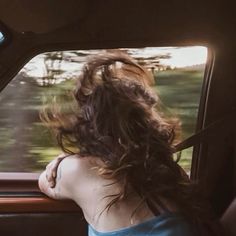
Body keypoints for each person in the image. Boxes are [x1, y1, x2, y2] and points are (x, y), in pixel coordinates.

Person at [38, 51, 214, 235]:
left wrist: (64, 160)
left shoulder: (77, 171)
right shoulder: (171, 173)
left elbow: (45, 182)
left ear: (89, 124)